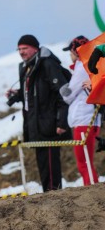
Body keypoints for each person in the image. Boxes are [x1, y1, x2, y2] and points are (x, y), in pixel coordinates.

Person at [5, 34, 70, 192]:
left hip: (49, 123)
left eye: (25, 48)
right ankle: (49, 193)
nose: (21, 52)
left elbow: (64, 94)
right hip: (34, 124)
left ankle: (54, 194)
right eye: (19, 49)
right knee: (42, 162)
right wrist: (16, 95)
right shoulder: (26, 67)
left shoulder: (47, 64)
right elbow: (31, 94)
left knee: (50, 162)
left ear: (35, 48)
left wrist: (62, 122)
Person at [59, 36, 101, 186]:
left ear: (76, 51)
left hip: (84, 119)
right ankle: (92, 192)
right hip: (88, 118)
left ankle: (92, 194)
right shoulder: (89, 64)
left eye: (70, 52)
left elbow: (69, 95)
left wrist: (62, 90)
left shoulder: (82, 65)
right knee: (85, 161)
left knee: (84, 162)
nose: (70, 56)